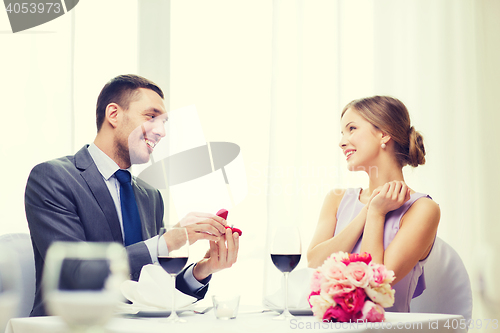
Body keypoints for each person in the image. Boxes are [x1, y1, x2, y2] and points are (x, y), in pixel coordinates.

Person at [25, 74, 239, 316]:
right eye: (151, 117)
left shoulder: (150, 195)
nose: (161, 132)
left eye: (164, 123)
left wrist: (202, 270)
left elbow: (148, 289)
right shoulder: (53, 178)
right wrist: (168, 242)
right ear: (114, 114)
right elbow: (76, 273)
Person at [307, 96, 440, 312]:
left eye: (351, 129)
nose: (341, 142)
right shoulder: (337, 199)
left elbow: (375, 285)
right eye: (342, 133)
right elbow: (314, 265)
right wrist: (368, 211)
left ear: (384, 133)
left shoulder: (423, 209)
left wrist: (377, 214)